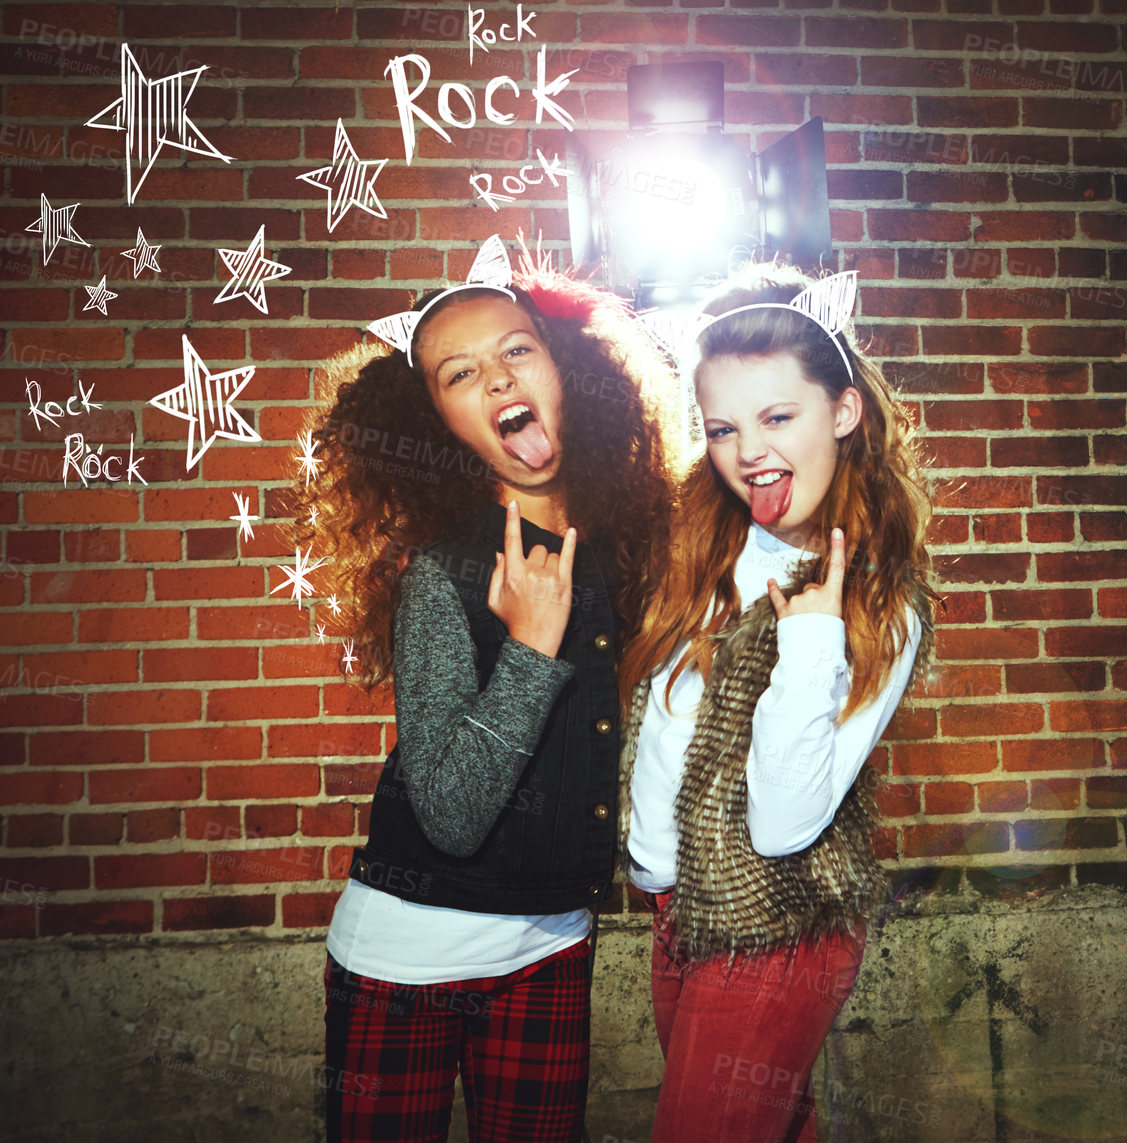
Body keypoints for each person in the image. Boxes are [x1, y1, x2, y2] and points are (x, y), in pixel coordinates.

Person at [297, 239, 678, 1143]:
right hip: (404, 958)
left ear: (564, 366)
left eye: (516, 348)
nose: (498, 377)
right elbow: (451, 812)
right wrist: (533, 646)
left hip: (549, 944)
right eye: (459, 372)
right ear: (437, 421)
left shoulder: (634, 548)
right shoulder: (441, 573)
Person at [616, 263, 937, 1143]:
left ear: (844, 411)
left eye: (778, 417)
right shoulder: (697, 551)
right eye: (722, 427)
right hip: (677, 915)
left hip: (776, 930)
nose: (748, 449)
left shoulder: (879, 603)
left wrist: (810, 638)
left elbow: (786, 821)